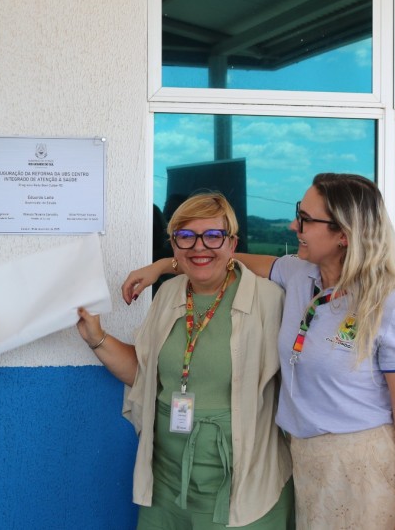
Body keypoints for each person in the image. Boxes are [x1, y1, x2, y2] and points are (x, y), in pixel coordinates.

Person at [122, 174, 395, 530]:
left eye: (305, 219)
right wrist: (164, 265)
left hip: (370, 474)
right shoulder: (300, 275)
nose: (294, 226)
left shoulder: (393, 309)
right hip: (307, 469)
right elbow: (221, 255)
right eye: (298, 214)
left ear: (343, 234)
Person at [77, 193, 294, 529]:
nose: (199, 247)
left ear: (232, 242)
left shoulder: (269, 300)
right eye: (185, 237)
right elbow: (144, 374)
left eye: (213, 236)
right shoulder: (169, 294)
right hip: (167, 482)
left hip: (241, 485)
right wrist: (97, 339)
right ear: (174, 244)